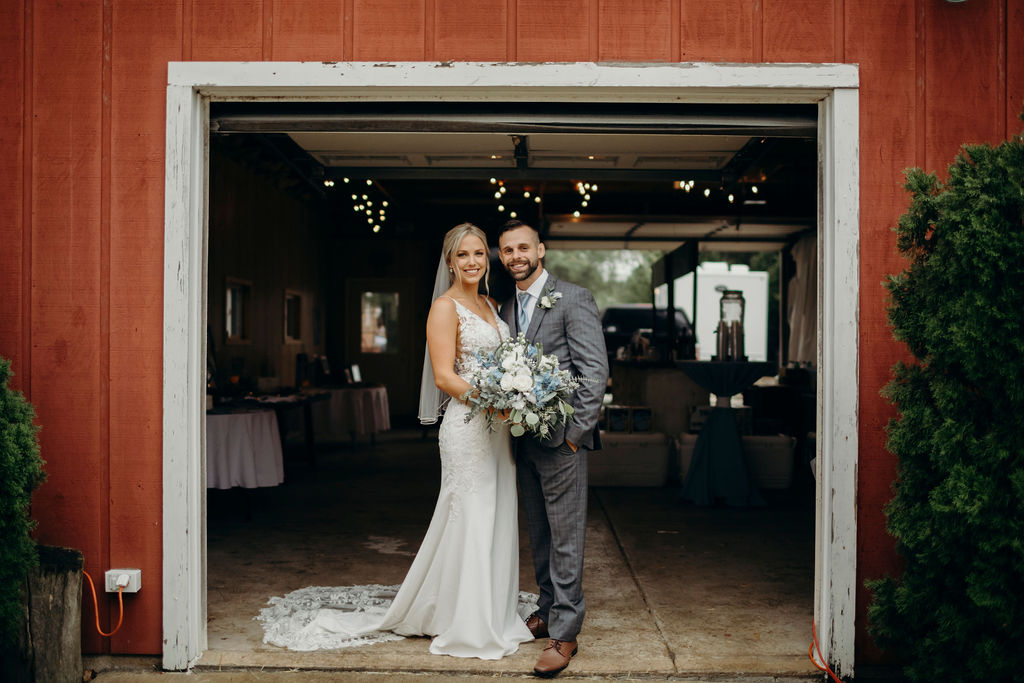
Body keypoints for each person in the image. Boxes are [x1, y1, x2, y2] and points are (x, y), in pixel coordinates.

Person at [258, 223, 533, 659]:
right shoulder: (445, 308)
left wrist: (513, 398)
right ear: (449, 262)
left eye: (480, 253)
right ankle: (467, 622)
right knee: (471, 516)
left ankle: (489, 612)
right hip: (469, 428)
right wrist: (494, 403)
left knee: (496, 514)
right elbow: (444, 376)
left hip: (499, 433)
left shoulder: (490, 303)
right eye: (463, 255)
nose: (473, 262)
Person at [497, 219, 609, 678]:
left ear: (540, 249)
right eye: (507, 250)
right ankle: (546, 609)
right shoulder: (506, 305)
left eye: (523, 247)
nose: (515, 256)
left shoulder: (573, 297)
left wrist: (573, 435)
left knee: (566, 538)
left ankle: (565, 633)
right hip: (522, 441)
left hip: (562, 442)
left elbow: (594, 371)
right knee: (539, 533)